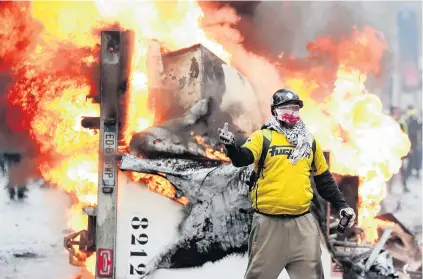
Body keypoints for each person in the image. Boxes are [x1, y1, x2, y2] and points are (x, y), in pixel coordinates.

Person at [218, 88, 355, 279]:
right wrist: (232, 146)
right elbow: (243, 158)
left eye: (294, 108)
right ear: (274, 111)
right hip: (269, 225)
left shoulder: (309, 142)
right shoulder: (262, 137)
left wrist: (342, 205)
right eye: (285, 108)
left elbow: (324, 180)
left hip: (302, 225)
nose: (291, 112)